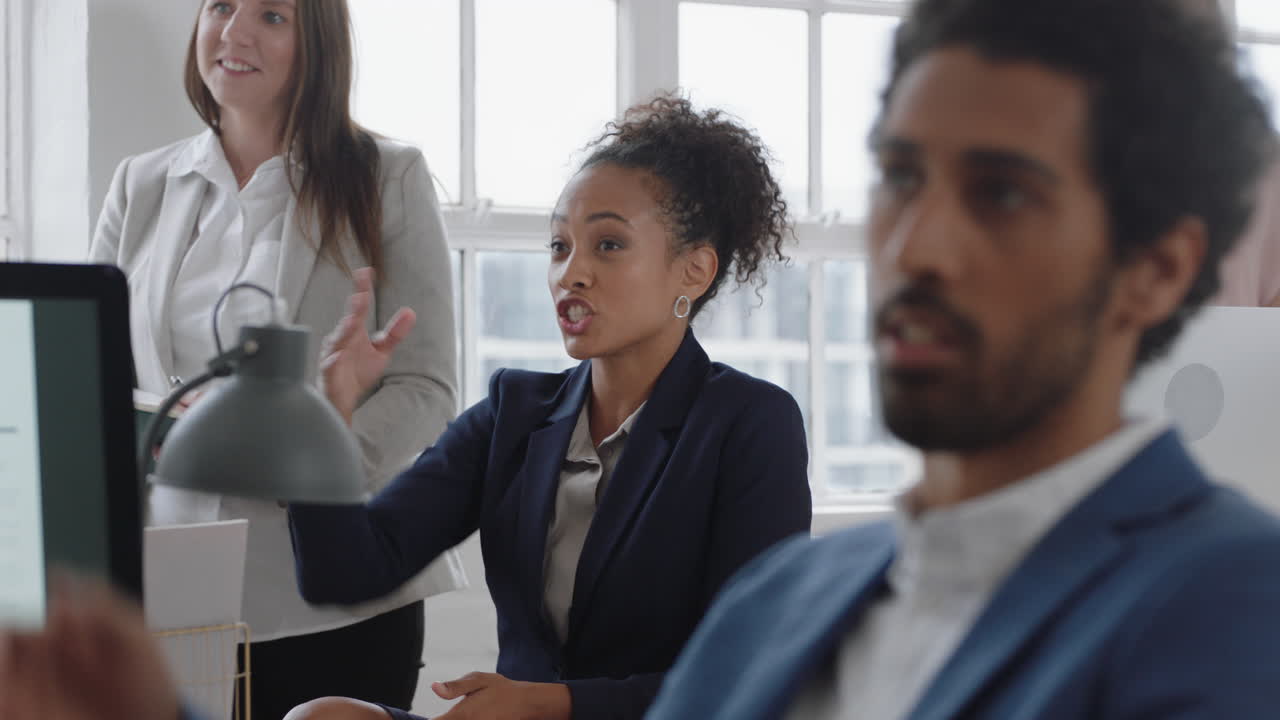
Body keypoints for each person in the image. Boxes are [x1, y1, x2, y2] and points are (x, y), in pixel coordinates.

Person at [647, 0, 1280, 718]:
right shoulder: (771, 602)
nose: (912, 247)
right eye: (900, 177)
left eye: (1002, 194)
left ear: (1157, 270)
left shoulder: (1235, 603)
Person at [283, 95, 813, 720]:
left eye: (608, 245)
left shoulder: (750, 423)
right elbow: (344, 575)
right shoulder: (514, 411)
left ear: (693, 272)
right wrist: (327, 419)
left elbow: (744, 676)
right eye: (559, 246)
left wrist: (547, 705)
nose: (571, 274)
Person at [88, 1, 464, 717]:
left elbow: (426, 386)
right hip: (167, 590)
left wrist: (305, 464)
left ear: (316, 41)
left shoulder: (387, 176)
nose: (234, 32)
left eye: (271, 15)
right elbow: (95, 381)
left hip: (332, 601)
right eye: (221, 6)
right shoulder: (139, 184)